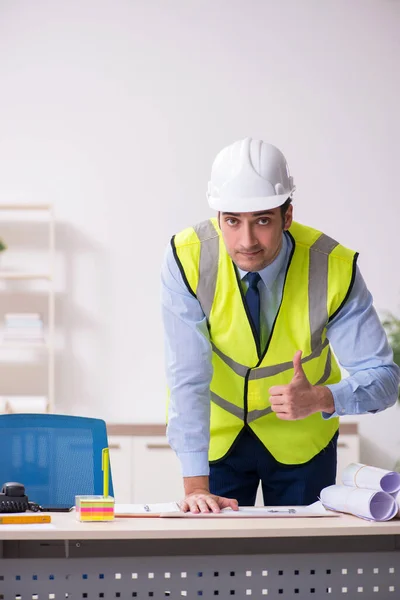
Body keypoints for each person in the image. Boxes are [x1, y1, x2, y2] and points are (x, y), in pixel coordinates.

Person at [161, 137, 400, 514]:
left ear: (287, 216)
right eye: (232, 221)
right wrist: (194, 487)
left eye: (262, 220)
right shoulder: (187, 258)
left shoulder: (332, 267)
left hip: (303, 443)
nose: (246, 241)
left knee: (303, 565)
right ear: (218, 216)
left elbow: (384, 378)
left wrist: (322, 398)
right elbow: (187, 375)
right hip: (218, 442)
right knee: (214, 564)